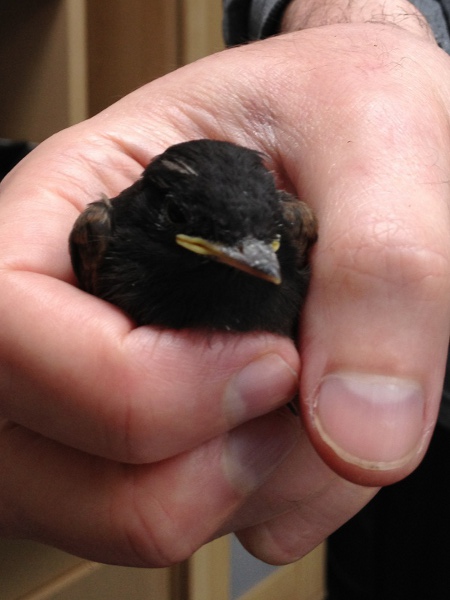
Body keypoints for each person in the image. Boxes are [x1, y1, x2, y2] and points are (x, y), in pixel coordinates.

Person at [0, 0, 449, 595]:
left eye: (267, 240)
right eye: (216, 238)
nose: (262, 261)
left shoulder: (288, 226)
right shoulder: (101, 236)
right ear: (161, 212)